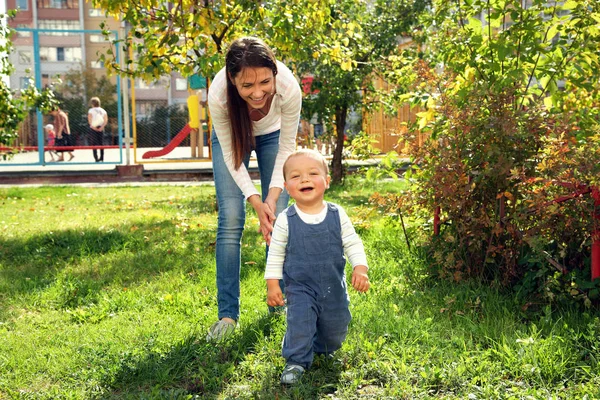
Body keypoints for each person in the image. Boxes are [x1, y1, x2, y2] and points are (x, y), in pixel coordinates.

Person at [206, 36, 302, 341]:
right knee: (232, 218)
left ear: (274, 72)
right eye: (247, 86)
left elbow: (287, 147)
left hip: (274, 137)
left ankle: (279, 303)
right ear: (233, 80)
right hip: (231, 136)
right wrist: (255, 202)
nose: (258, 92)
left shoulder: (288, 88)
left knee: (279, 220)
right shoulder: (219, 95)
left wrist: (271, 200)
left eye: (264, 81)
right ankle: (227, 316)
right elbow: (234, 164)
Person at [265, 149, 370, 384]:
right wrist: (273, 284)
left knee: (336, 325)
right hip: (300, 286)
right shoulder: (286, 219)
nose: (304, 179)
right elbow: (276, 253)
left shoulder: (337, 213)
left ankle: (323, 349)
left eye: (312, 173)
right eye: (295, 176)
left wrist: (360, 268)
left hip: (333, 285)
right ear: (287, 186)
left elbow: (352, 242)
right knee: (300, 322)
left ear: (327, 181)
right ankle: (296, 360)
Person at [87, 97, 108, 162]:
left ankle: (96, 157)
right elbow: (105, 120)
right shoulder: (103, 110)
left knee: (94, 143)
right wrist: (102, 127)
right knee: (101, 143)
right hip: (101, 127)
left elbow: (90, 120)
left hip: (93, 127)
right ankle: (102, 157)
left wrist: (93, 127)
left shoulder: (91, 110)